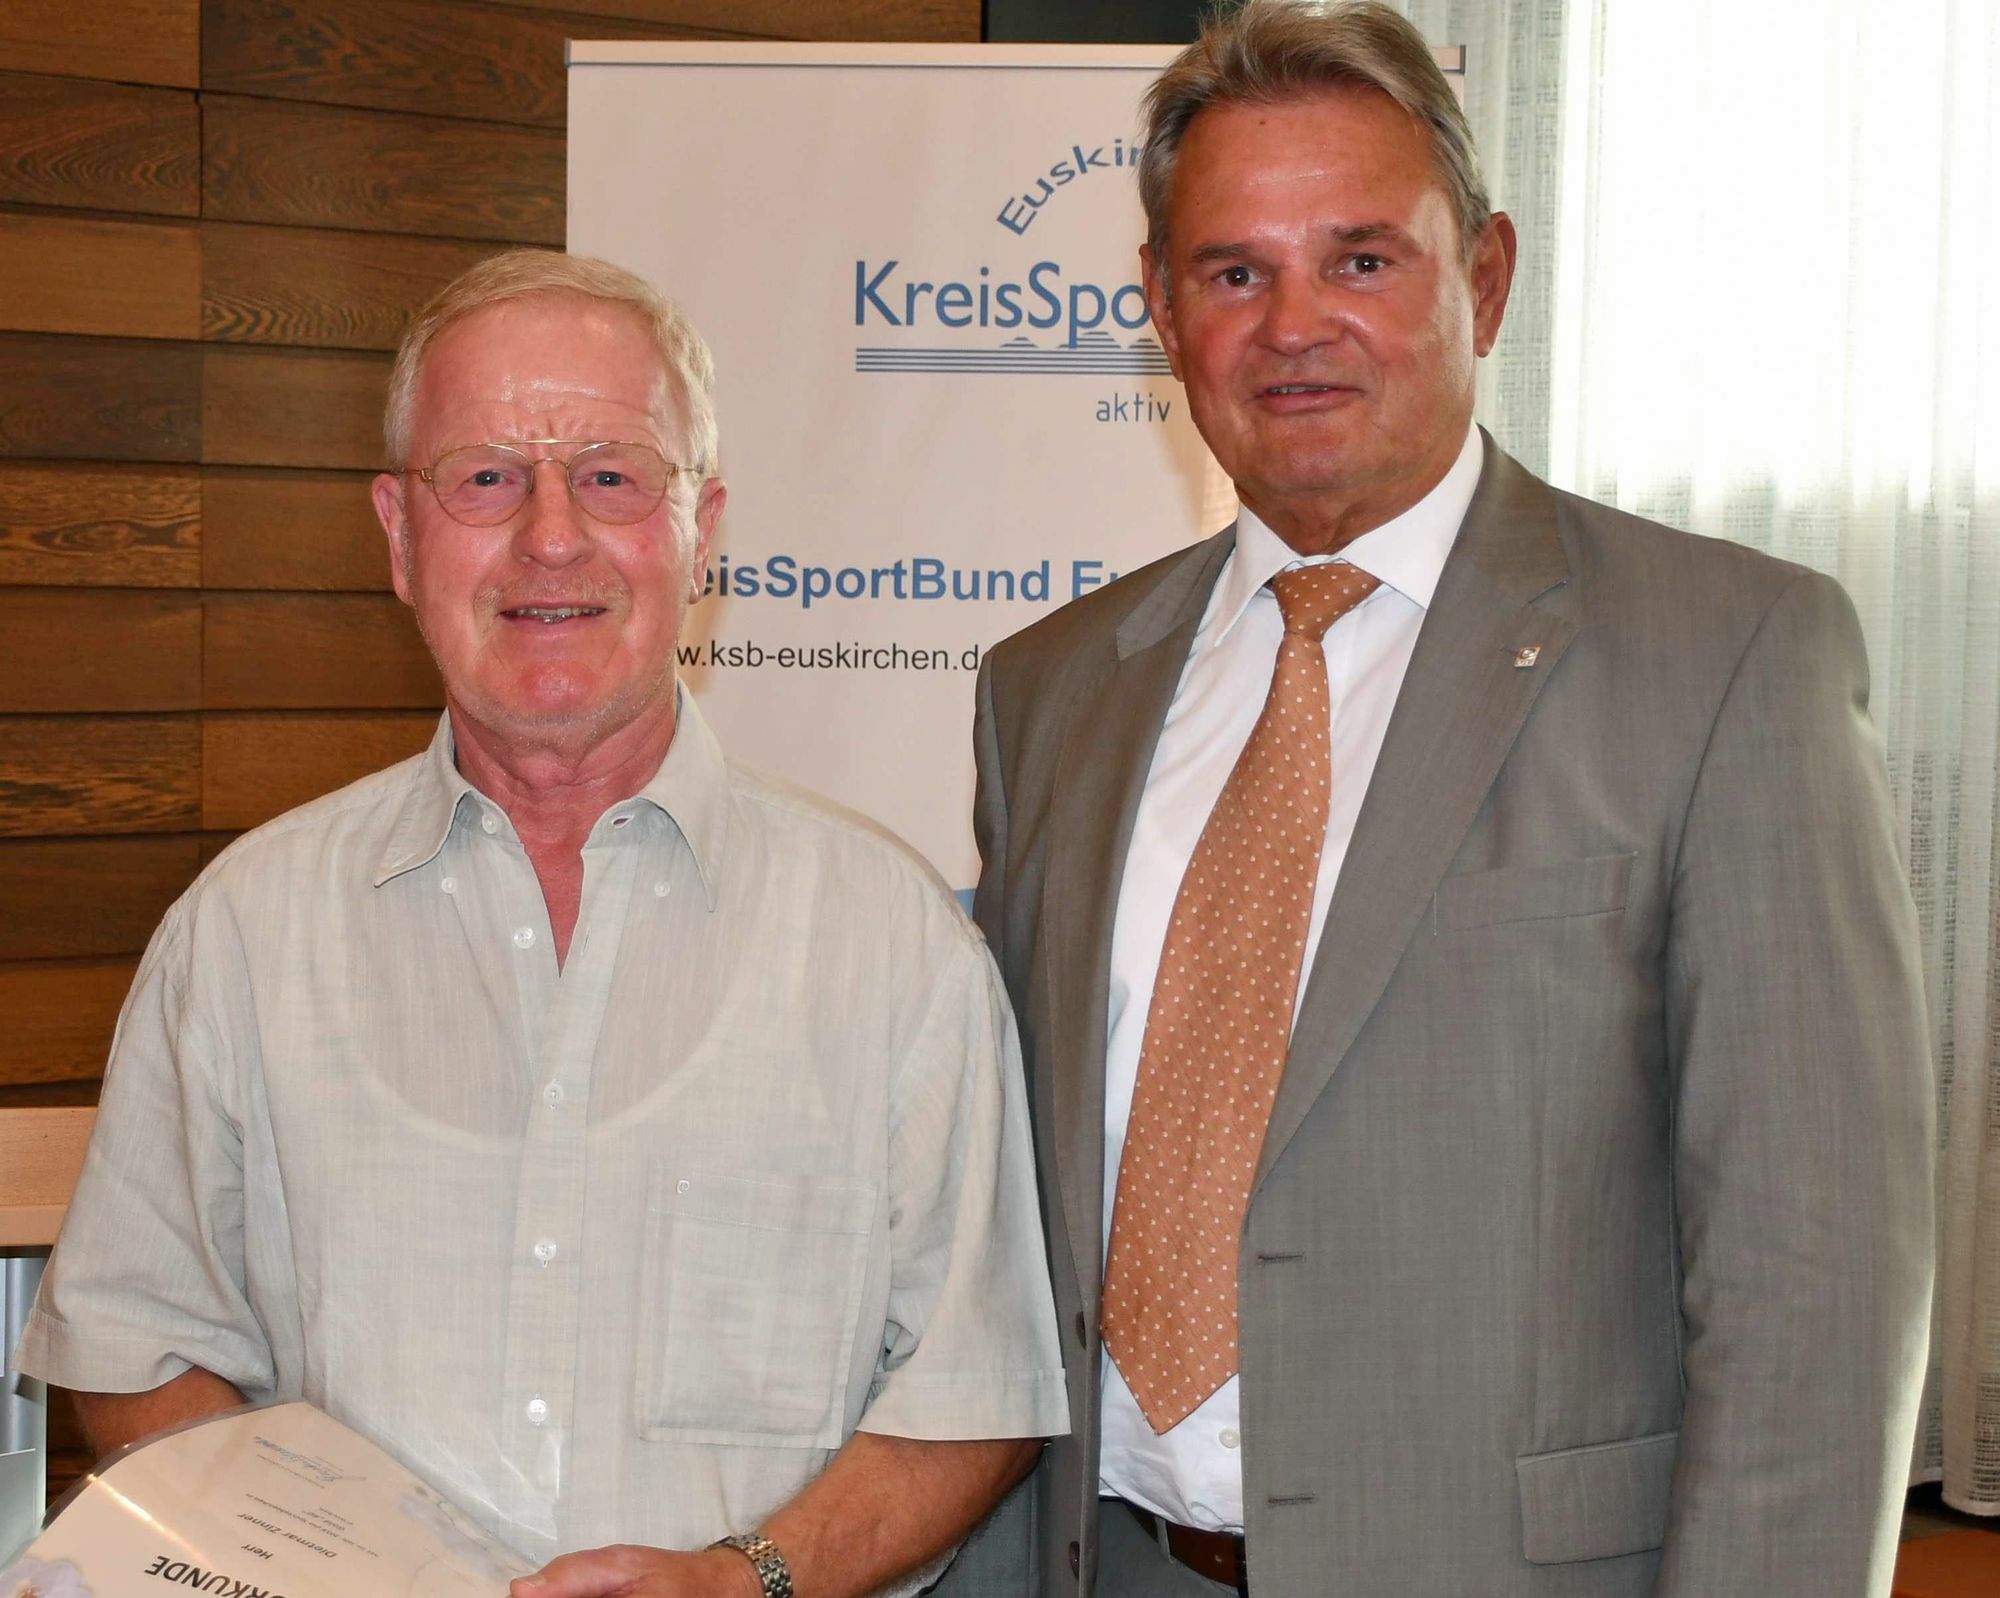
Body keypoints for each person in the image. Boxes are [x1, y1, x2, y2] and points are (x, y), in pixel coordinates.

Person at [950, 3, 1934, 1595]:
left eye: (1360, 259)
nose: (1293, 326)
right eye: (1233, 273)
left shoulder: (1731, 656)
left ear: (1483, 279)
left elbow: (1815, 1284)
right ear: (1162, 311)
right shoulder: (1050, 689)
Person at [14, 250, 1068, 1598]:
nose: (551, 536)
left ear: (702, 530)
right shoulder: (242, 935)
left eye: (613, 476)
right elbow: (135, 1343)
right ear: (401, 537)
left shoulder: (893, 945)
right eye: (486, 478)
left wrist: (746, 1579)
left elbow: (970, 1391)